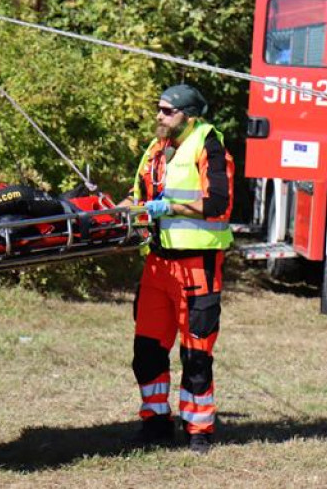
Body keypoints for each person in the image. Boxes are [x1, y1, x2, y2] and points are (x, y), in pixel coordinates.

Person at [125, 84, 234, 455]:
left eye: (167, 111)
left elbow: (218, 202)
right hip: (157, 265)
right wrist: (122, 211)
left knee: (196, 354)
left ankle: (198, 429)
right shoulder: (155, 150)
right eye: (158, 109)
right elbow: (137, 196)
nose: (159, 116)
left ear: (188, 116)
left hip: (197, 265)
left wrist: (168, 207)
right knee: (147, 350)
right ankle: (155, 422)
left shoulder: (208, 144)